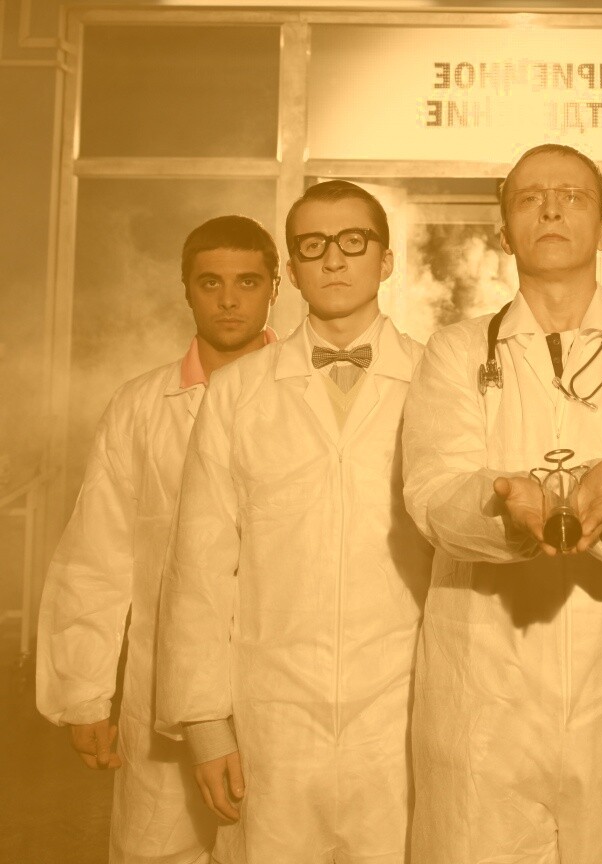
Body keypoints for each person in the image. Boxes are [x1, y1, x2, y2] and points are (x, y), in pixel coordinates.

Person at [402, 143, 602, 864]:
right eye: (530, 198)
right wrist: (504, 509)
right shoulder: (453, 354)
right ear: (505, 232)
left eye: (572, 196)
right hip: (486, 689)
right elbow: (432, 492)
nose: (550, 208)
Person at [155, 180, 431, 864]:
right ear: (293, 269)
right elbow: (199, 569)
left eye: (353, 242)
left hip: (405, 704)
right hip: (272, 711)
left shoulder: (438, 382)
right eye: (312, 246)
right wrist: (206, 724)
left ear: (386, 260)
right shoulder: (237, 392)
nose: (333, 259)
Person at [36, 215, 280, 864]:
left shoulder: (306, 400)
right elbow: (97, 554)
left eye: (247, 282)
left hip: (281, 683)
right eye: (210, 282)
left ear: (275, 288)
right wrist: (84, 692)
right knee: (157, 850)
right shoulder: (140, 407)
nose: (229, 300)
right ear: (186, 290)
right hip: (161, 690)